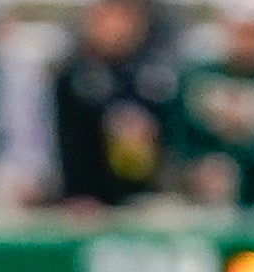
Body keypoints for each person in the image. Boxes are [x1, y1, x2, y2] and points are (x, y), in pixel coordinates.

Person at [168, 6, 254, 202]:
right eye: (242, 33)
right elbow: (181, 133)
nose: (248, 43)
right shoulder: (199, 77)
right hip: (204, 174)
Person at [45, 0, 166, 202]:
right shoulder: (71, 75)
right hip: (83, 198)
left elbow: (171, 136)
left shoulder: (154, 75)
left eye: (124, 18)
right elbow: (61, 139)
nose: (116, 27)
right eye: (108, 18)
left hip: (142, 197)